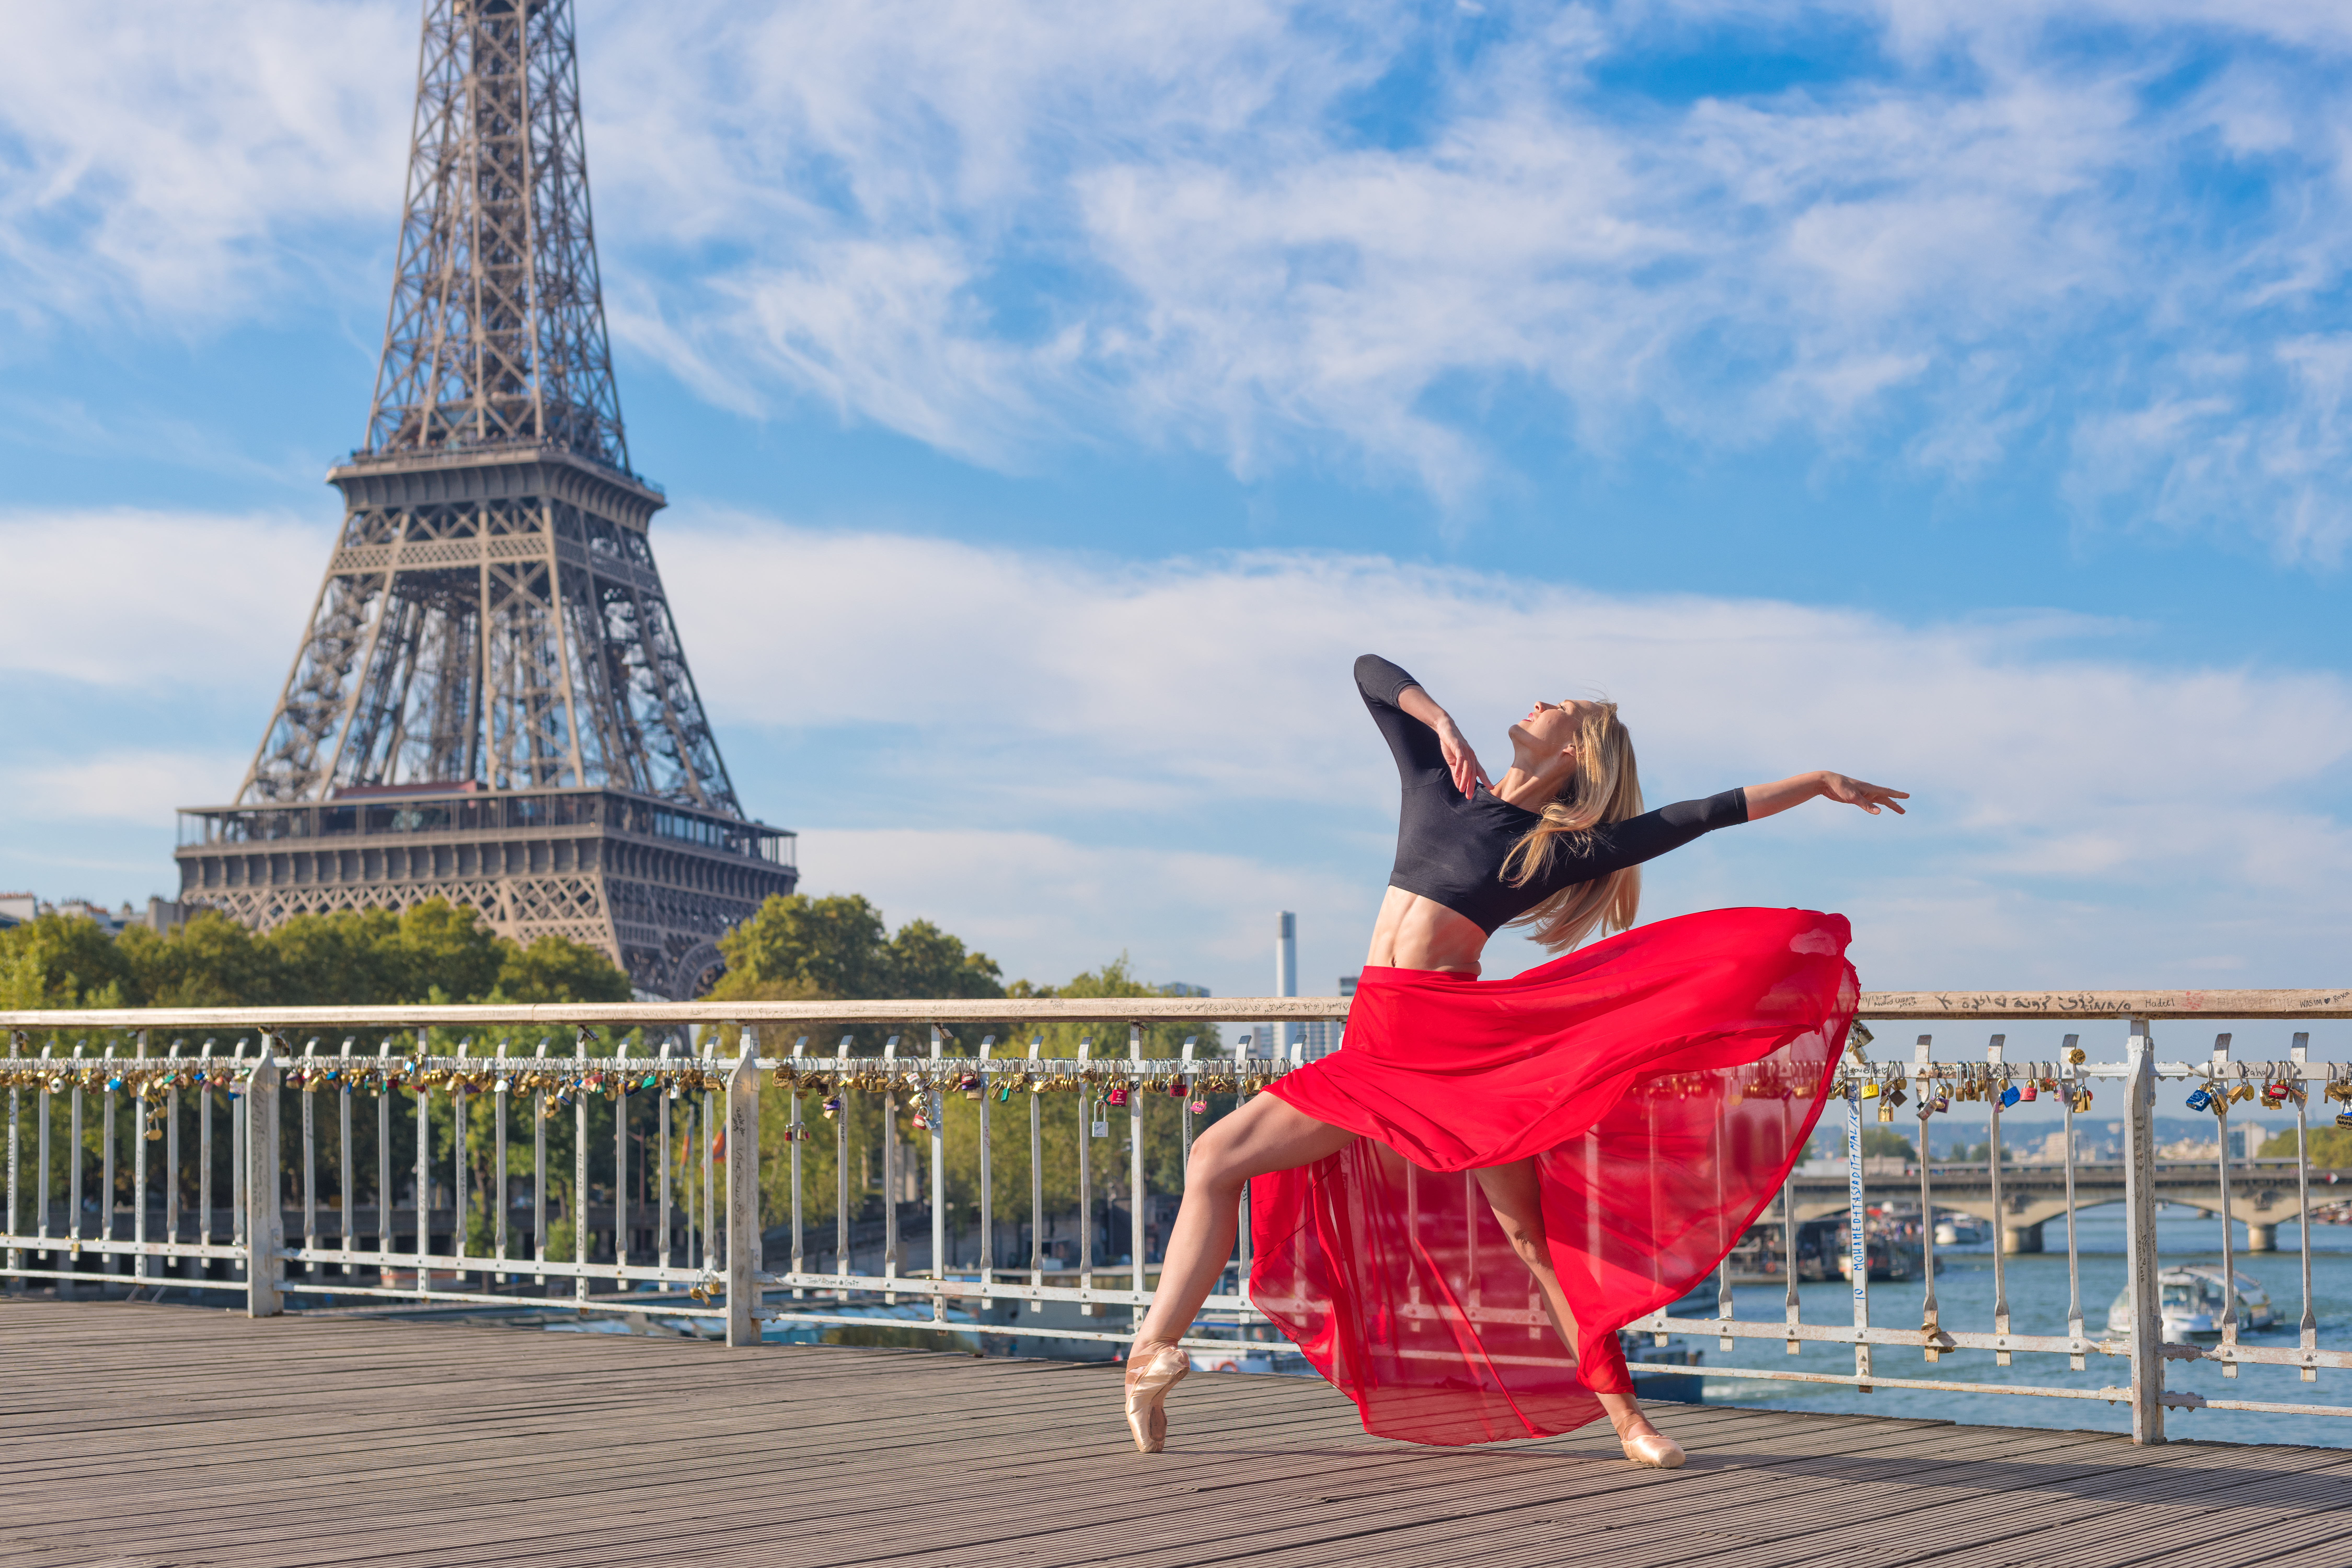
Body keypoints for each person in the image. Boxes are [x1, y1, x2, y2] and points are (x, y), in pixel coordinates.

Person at [1123, 654, 1906, 1464]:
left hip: (1460, 1057)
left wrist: (1816, 781)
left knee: (1530, 1240)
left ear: (1575, 756)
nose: (1538, 702)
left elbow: (1698, 815)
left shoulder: (1552, 849)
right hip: (1374, 1051)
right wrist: (1443, 723)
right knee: (1215, 1159)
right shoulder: (1439, 784)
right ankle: (1151, 1355)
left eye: (1559, 708)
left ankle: (1630, 1421)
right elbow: (1369, 672)